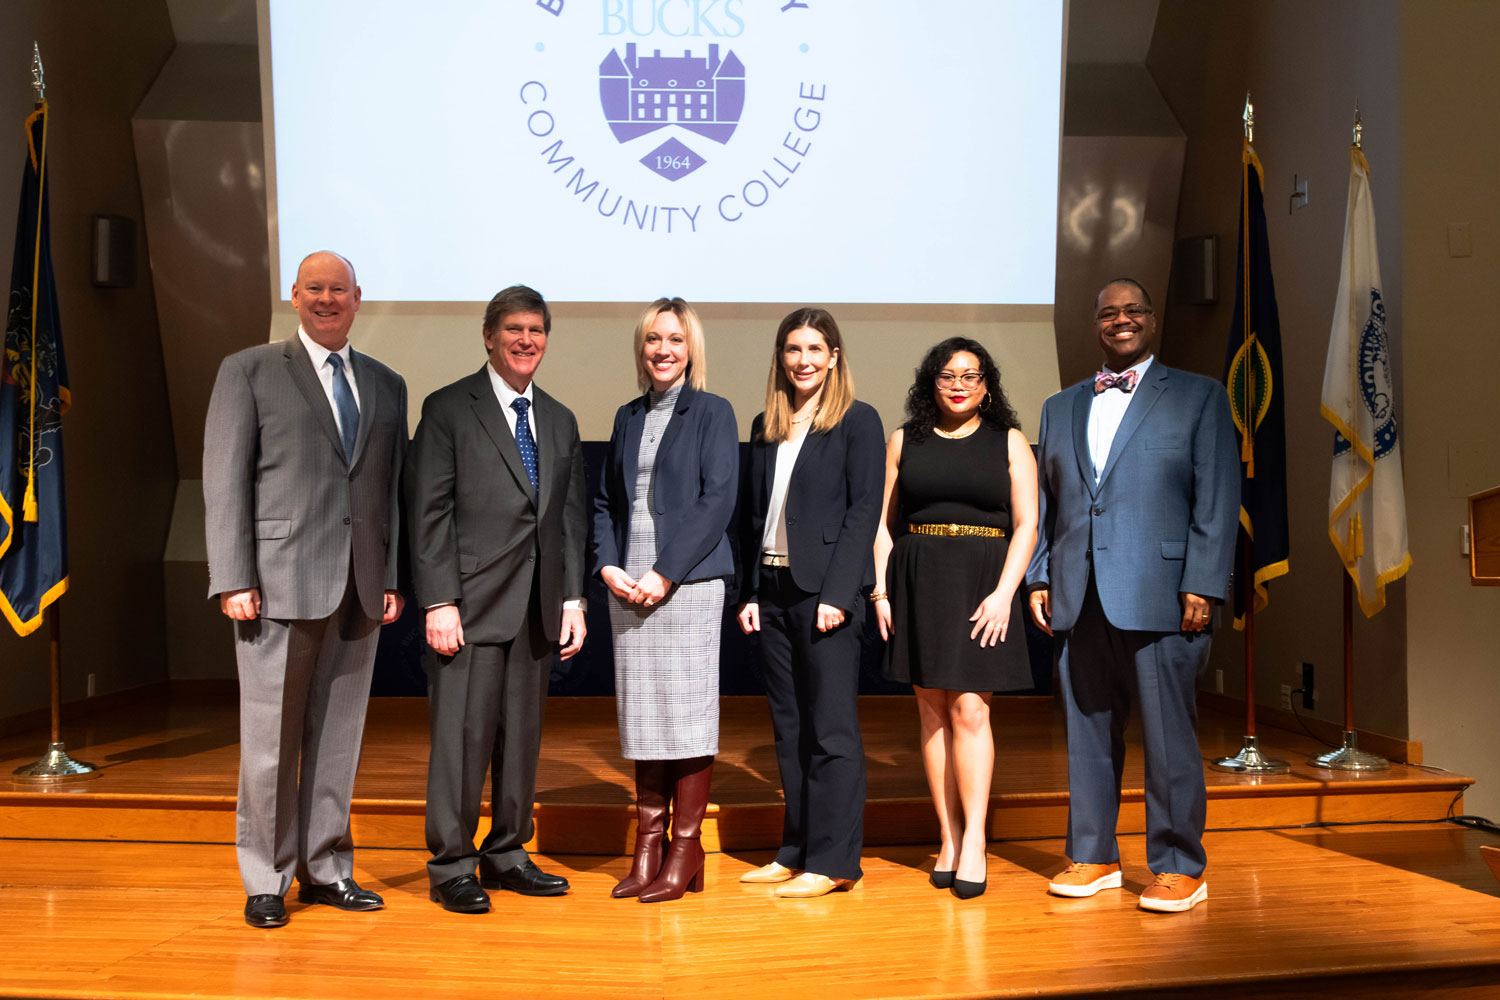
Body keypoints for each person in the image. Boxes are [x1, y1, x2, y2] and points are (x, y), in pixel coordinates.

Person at [203, 250, 407, 929]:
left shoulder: (386, 383)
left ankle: (326, 868)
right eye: (314, 288)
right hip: (277, 586)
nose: (327, 299)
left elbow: (389, 493)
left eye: (339, 290)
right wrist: (233, 577)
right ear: (294, 295)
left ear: (358, 297)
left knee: (338, 741)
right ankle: (266, 878)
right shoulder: (249, 371)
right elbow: (224, 480)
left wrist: (391, 576)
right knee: (269, 742)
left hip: (360, 587)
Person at [1026, 278, 1237, 913]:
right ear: (1096, 325)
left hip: (1165, 593)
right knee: (1086, 727)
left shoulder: (1199, 396)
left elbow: (1218, 497)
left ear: (1151, 319)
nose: (1121, 320)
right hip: (1077, 591)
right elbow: (1049, 501)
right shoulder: (1059, 406)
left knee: (1170, 736)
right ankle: (1093, 854)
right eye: (1109, 312)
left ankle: (1179, 866)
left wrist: (1203, 579)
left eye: (1133, 310)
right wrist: (1040, 573)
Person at [406, 285, 588, 913]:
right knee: (462, 740)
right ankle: (452, 863)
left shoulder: (560, 419)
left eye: (536, 330)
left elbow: (568, 518)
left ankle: (507, 852)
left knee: (521, 741)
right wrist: (437, 601)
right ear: (489, 336)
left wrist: (572, 599)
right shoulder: (450, 408)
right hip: (469, 606)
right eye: (513, 329)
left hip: (537, 610)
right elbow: (427, 514)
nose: (526, 340)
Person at [873, 337, 1038, 900]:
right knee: (932, 712)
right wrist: (881, 592)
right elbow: (883, 524)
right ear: (931, 383)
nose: (959, 384)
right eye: (947, 376)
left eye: (971, 375)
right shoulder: (905, 440)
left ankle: (975, 843)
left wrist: (1004, 594)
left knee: (969, 709)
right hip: (917, 580)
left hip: (983, 585)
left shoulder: (1009, 441)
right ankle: (946, 837)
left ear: (987, 385)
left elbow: (1027, 525)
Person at [591, 297, 738, 903]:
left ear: (691, 349)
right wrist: (606, 565)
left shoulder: (713, 412)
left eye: (675, 340)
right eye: (654, 339)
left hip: (688, 582)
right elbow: (604, 502)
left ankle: (684, 848)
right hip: (628, 585)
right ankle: (646, 847)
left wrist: (666, 572)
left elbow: (718, 500)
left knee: (687, 714)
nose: (663, 350)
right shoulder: (626, 415)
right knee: (644, 717)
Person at [735, 309, 884, 898]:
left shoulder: (858, 421)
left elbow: (863, 512)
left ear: (834, 357)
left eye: (815, 348)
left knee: (832, 731)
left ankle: (836, 862)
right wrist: (750, 590)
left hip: (826, 596)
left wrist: (839, 594)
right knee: (789, 729)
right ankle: (795, 851)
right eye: (793, 348)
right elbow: (754, 519)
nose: (803, 359)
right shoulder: (765, 423)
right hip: (771, 592)